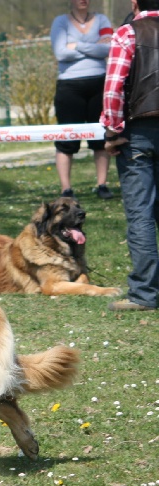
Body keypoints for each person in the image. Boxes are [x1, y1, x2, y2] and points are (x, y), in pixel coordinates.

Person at [100, 0, 159, 311]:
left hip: (138, 134)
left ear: (136, 3)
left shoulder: (128, 32)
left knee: (141, 216)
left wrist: (111, 132)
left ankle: (145, 295)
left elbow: (113, 89)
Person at [50, 0, 114, 200]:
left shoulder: (102, 19)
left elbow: (108, 49)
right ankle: (66, 190)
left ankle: (102, 185)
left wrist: (76, 45)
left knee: (100, 138)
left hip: (99, 84)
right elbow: (60, 53)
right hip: (69, 87)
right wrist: (94, 46)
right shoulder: (60, 22)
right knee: (66, 140)